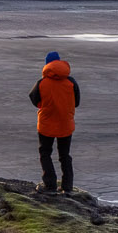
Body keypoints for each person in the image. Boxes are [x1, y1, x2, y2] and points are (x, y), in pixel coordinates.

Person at [29, 50, 80, 193]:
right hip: (66, 124)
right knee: (65, 155)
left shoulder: (41, 83)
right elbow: (77, 102)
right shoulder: (71, 82)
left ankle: (50, 185)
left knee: (45, 153)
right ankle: (67, 187)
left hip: (47, 125)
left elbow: (34, 99)